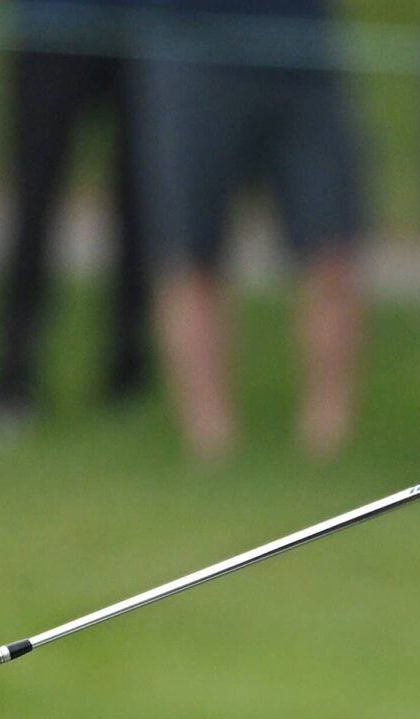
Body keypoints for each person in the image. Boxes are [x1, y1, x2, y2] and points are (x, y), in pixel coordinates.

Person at [133, 0, 366, 462]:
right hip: (193, 47)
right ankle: (209, 446)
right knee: (190, 253)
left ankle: (327, 447)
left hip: (300, 49)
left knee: (332, 251)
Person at [0, 0, 151, 430]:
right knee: (34, 204)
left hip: (143, 33)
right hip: (51, 27)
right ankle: (13, 372)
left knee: (141, 205)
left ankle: (129, 368)